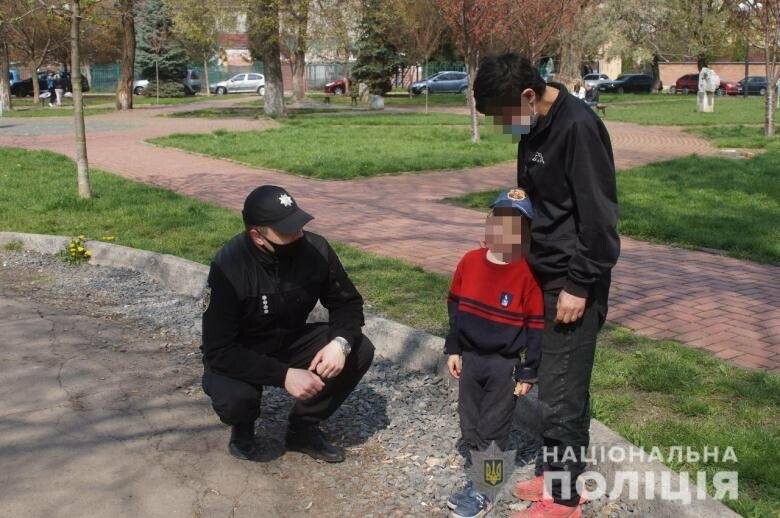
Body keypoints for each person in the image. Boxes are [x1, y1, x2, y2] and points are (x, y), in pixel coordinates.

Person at [473, 53, 620, 517]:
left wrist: (579, 285)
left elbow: (599, 222)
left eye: (502, 117)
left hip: (572, 281)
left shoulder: (578, 127)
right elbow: (540, 199)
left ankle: (564, 498)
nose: (502, 127)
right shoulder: (533, 124)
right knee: (560, 384)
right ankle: (559, 470)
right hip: (542, 273)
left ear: (528, 96)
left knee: (561, 393)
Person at [201, 185, 374, 463]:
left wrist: (340, 343)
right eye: (286, 231)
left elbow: (347, 303)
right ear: (257, 235)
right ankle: (243, 427)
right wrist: (284, 375)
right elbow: (219, 350)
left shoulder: (316, 250)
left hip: (289, 339)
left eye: (298, 225)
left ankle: (303, 428)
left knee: (359, 348)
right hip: (242, 350)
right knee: (235, 400)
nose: (297, 235)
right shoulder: (228, 267)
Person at [444, 189, 544, 518]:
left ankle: (485, 489)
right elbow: (455, 305)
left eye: (515, 225)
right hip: (471, 358)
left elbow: (535, 327)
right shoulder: (470, 261)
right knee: (470, 421)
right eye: (500, 220)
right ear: (489, 223)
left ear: (524, 234)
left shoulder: (526, 275)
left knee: (494, 426)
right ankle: (477, 474)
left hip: (504, 365)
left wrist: (529, 370)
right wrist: (454, 347)